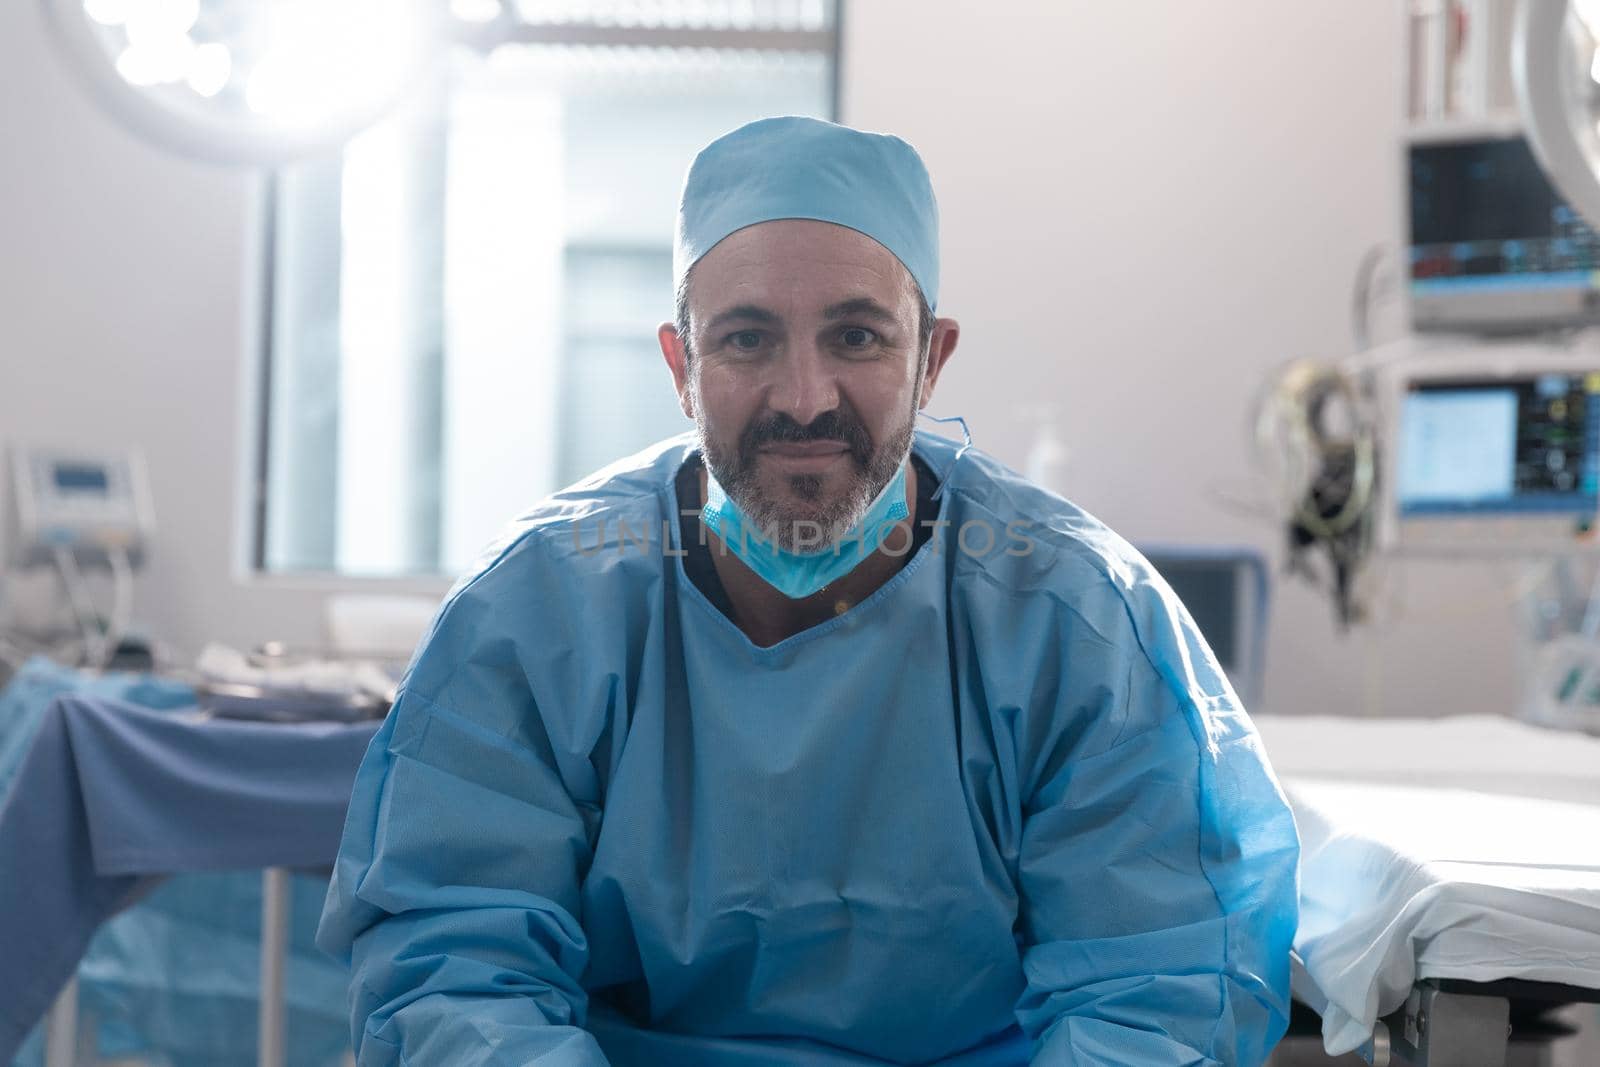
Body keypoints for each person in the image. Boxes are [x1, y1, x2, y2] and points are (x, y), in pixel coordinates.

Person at [317, 115, 1299, 1066]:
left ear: (932, 359)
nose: (802, 397)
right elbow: (452, 969)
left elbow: (1157, 992)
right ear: (680, 365)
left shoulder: (1075, 624)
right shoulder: (538, 612)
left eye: (859, 338)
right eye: (745, 339)